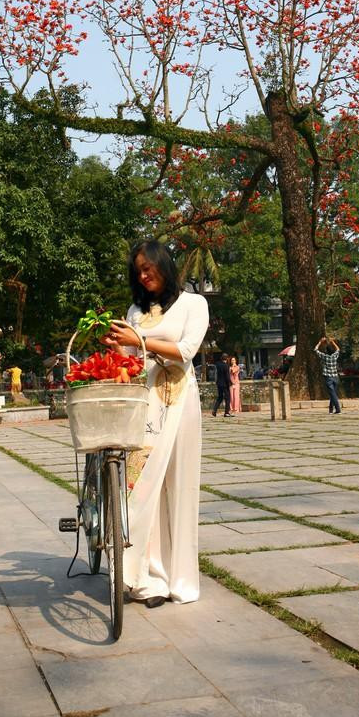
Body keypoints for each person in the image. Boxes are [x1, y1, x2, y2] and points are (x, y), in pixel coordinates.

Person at [100, 239, 209, 607]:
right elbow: (131, 359)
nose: (144, 275)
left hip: (180, 404)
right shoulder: (135, 310)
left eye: (149, 267)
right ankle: (144, 577)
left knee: (179, 488)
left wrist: (139, 339)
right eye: (138, 271)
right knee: (141, 487)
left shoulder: (195, 304)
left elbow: (185, 352)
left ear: (165, 264)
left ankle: (178, 580)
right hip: (145, 407)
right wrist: (119, 346)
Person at [314, 336, 341, 414]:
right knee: (333, 394)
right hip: (335, 377)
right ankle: (331, 409)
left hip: (328, 377)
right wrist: (333, 342)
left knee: (333, 394)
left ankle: (338, 409)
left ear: (326, 351)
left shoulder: (325, 357)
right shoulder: (335, 356)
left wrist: (320, 342)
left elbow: (315, 349)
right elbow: (338, 349)